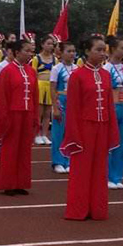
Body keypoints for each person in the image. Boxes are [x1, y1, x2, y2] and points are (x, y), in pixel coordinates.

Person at [61, 35, 119, 220]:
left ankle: (97, 209)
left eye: (104, 50)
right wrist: (74, 135)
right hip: (84, 128)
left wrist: (111, 129)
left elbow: (110, 105)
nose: (103, 54)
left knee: (100, 169)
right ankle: (78, 209)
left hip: (102, 127)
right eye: (98, 50)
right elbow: (73, 108)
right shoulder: (77, 75)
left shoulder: (106, 75)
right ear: (87, 52)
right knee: (81, 170)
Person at [0, 40, 39, 195]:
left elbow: (35, 95)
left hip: (27, 113)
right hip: (13, 114)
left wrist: (35, 116)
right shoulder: (7, 71)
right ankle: (8, 183)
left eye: (31, 51)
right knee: (10, 149)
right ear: (17, 52)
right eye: (27, 50)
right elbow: (2, 97)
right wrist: (4, 118)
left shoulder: (31, 71)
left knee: (24, 150)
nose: (30, 53)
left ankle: (21, 182)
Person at [102, 36, 123, 189]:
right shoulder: (106, 68)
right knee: (109, 142)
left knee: (121, 142)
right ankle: (105, 175)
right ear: (113, 49)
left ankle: (117, 176)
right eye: (122, 48)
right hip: (111, 106)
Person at [50, 42, 77, 174]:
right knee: (58, 133)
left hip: (73, 102)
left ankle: (69, 160)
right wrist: (55, 107)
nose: (72, 54)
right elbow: (52, 88)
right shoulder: (56, 69)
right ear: (61, 53)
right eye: (69, 51)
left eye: (73, 51)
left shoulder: (77, 68)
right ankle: (58, 161)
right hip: (61, 100)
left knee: (71, 133)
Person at [32, 35, 57, 145]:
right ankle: (37, 134)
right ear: (42, 45)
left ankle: (44, 135)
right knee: (39, 112)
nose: (50, 46)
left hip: (50, 86)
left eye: (52, 44)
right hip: (40, 85)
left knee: (48, 113)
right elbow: (33, 74)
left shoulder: (55, 59)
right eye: (48, 43)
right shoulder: (36, 58)